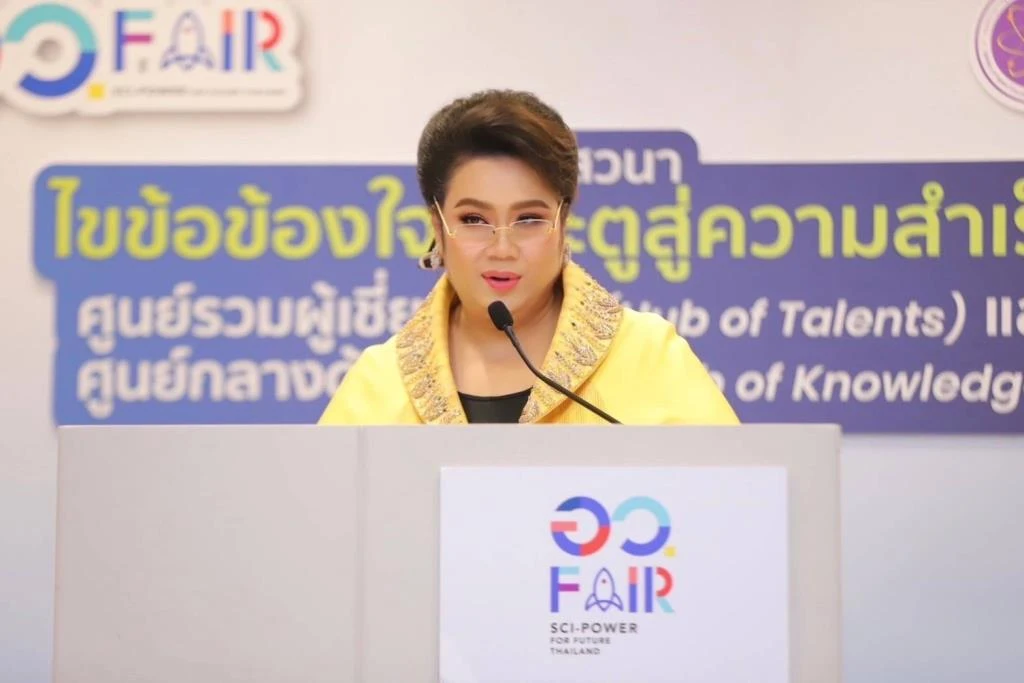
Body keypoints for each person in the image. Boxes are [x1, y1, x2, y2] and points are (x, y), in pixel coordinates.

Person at [318, 89, 738, 426]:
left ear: (563, 221)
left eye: (529, 219)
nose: (502, 249)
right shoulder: (379, 383)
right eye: (474, 219)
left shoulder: (649, 357)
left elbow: (730, 496)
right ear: (437, 227)